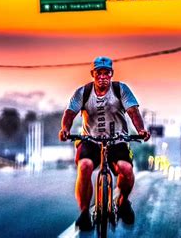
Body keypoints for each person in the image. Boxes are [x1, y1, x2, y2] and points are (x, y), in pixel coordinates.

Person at [58, 56, 151, 231]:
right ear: (93, 74)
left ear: (111, 74)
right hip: (90, 140)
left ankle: (123, 201)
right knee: (84, 166)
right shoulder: (83, 92)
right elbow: (70, 113)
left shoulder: (120, 90)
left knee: (126, 169)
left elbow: (133, 111)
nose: (102, 77)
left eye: (106, 73)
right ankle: (84, 212)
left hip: (117, 141)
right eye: (98, 73)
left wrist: (140, 130)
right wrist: (65, 129)